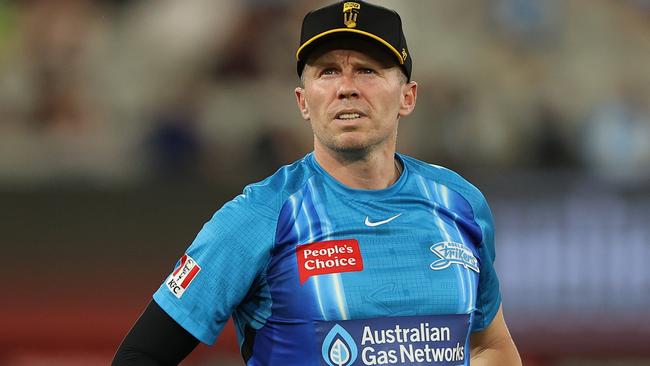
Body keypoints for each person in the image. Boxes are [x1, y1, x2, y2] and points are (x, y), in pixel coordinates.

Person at [113, 1, 522, 365]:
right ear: (303, 101)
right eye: (328, 71)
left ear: (407, 97)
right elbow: (140, 356)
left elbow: (490, 344)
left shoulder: (461, 204)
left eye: (367, 70)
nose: (347, 87)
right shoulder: (259, 216)